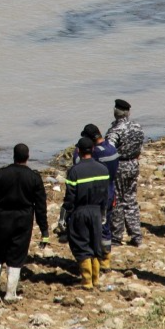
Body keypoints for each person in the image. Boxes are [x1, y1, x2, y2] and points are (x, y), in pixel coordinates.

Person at [0, 143, 49, 302]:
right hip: (23, 220)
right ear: (27, 157)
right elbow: (41, 207)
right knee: (16, 255)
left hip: (2, 218)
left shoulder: (2, 174)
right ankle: (10, 294)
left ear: (14, 156)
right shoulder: (34, 177)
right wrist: (44, 231)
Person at [62, 136, 112, 290]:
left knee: (81, 243)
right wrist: (103, 212)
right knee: (95, 242)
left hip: (80, 211)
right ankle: (96, 279)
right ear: (93, 150)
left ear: (78, 151)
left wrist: (65, 216)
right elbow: (106, 194)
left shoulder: (74, 171)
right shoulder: (103, 169)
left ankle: (87, 281)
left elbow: (70, 197)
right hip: (97, 211)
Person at [106, 98, 145, 247]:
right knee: (131, 199)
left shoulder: (115, 130)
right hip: (134, 164)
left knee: (117, 201)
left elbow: (109, 151)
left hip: (120, 166)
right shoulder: (137, 127)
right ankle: (136, 235)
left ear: (115, 113)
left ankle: (116, 236)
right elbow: (140, 145)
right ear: (128, 112)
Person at [88, 124, 119, 274]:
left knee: (98, 225)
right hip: (111, 189)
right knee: (106, 224)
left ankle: (99, 258)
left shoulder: (97, 154)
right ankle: (106, 258)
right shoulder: (112, 148)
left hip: (100, 193)